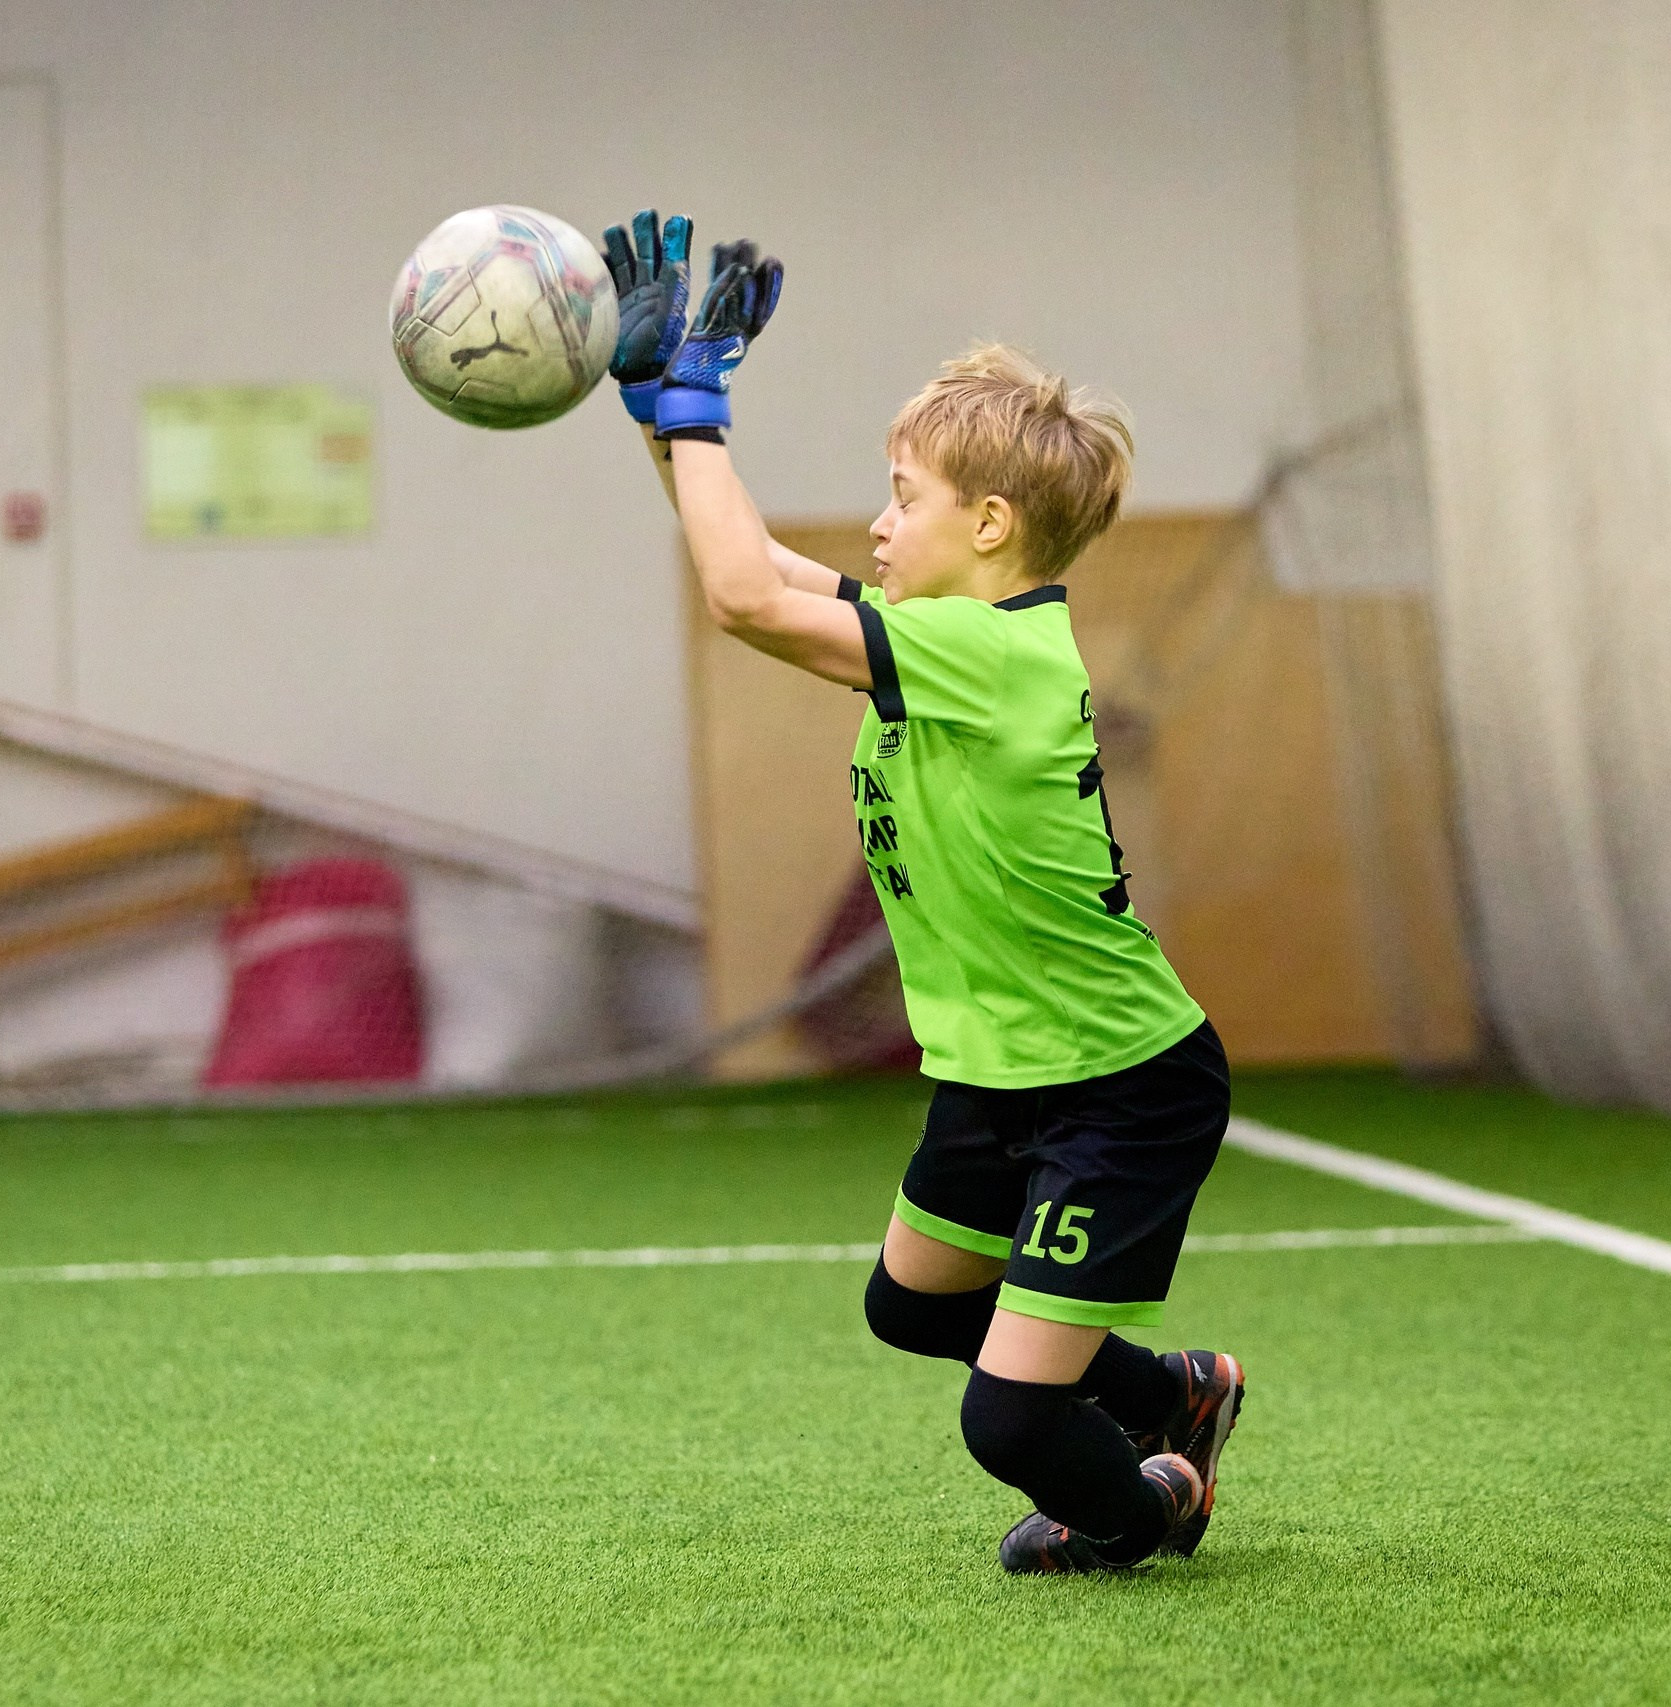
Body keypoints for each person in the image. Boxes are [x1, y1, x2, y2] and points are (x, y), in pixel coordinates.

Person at [603, 210, 1244, 1574]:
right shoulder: (942, 643)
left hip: (1115, 1082)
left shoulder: (995, 658)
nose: (881, 523)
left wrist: (702, 408)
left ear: (993, 525)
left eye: (903, 495)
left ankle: (1151, 1505)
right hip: (1001, 1075)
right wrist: (664, 422)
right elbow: (760, 569)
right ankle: (1170, 1393)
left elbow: (739, 600)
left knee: (1008, 1418)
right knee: (912, 1307)